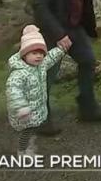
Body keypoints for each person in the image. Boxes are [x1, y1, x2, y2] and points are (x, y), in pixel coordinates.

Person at [33, 0, 101, 135]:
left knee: (88, 61)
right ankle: (41, 118)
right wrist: (58, 34)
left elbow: (85, 1)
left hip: (74, 27)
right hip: (52, 29)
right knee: (47, 74)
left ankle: (87, 108)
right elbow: (40, 6)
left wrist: (90, 30)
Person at [6, 25, 72, 156]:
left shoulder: (40, 66)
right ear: (24, 55)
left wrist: (61, 49)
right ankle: (22, 151)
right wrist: (21, 107)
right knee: (26, 133)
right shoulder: (19, 74)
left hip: (35, 111)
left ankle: (28, 145)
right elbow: (13, 92)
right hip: (24, 113)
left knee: (32, 131)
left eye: (41, 53)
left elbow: (51, 57)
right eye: (34, 53)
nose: (38, 56)